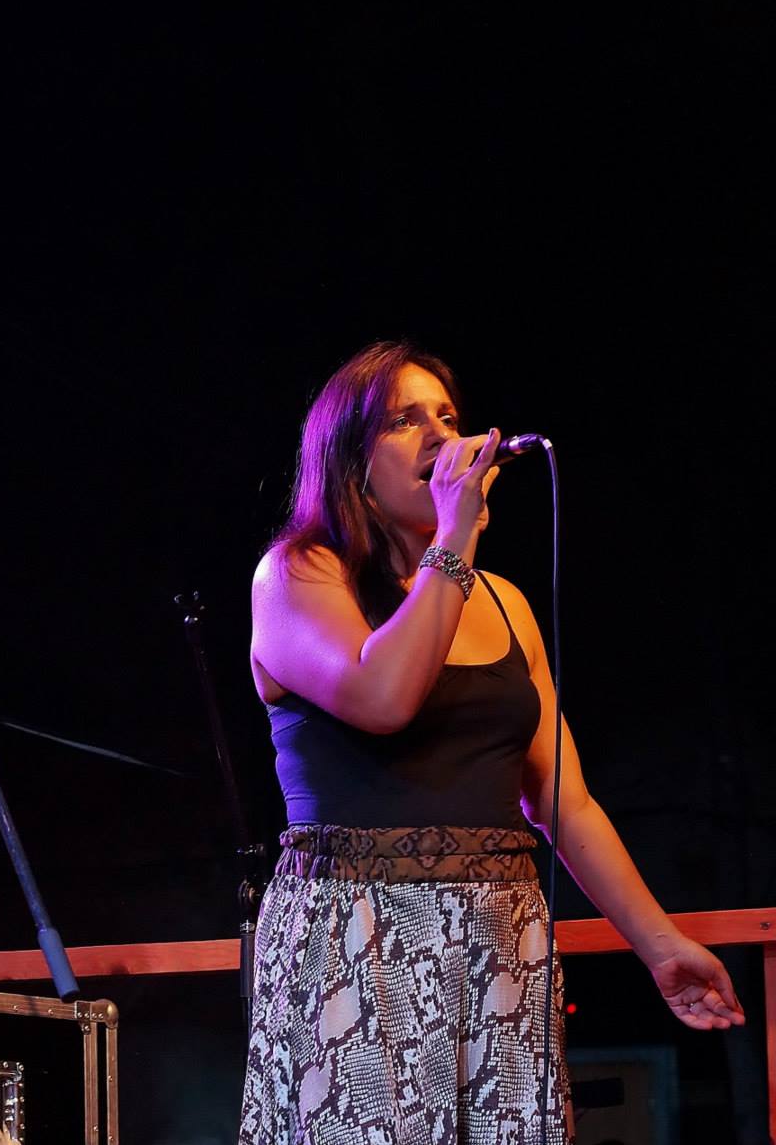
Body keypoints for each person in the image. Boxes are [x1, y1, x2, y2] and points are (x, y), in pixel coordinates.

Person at [237, 341, 743, 1143]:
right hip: (359, 937)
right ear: (350, 461)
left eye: (448, 416)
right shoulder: (298, 575)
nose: (441, 435)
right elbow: (382, 698)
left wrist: (660, 946)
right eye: (405, 420)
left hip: (501, 937)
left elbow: (565, 803)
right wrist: (455, 537)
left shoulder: (503, 603)